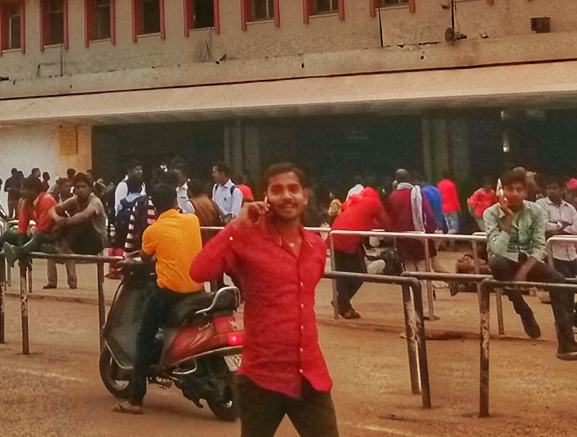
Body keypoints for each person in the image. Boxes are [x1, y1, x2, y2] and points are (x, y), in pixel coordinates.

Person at [189, 163, 337, 437]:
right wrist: (237, 225)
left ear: (305, 195)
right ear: (265, 196)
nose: (286, 196)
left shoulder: (315, 246)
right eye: (277, 189)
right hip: (261, 378)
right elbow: (199, 270)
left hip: (310, 377)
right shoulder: (247, 239)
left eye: (293, 189)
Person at [113, 180, 202, 415]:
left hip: (168, 293)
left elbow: (144, 258)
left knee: (143, 339)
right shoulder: (192, 221)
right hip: (197, 290)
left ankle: (134, 400)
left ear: (153, 204)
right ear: (175, 200)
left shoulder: (152, 231)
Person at [482, 169, 577, 360]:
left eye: (519, 189)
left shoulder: (535, 211)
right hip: (502, 262)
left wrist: (525, 270)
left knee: (558, 280)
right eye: (509, 189)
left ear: (525, 192)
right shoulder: (490, 213)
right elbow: (497, 249)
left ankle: (566, 343)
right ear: (501, 191)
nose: (514, 194)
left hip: (527, 260)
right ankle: (521, 307)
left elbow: (539, 245)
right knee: (497, 262)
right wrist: (508, 218)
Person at [388, 171, 444, 318]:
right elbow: (429, 216)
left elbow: (390, 220)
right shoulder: (417, 194)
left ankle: (414, 310)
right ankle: (426, 310)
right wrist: (430, 233)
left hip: (402, 240)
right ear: (410, 179)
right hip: (420, 239)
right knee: (424, 275)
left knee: (410, 275)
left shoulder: (392, 197)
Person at [329, 183, 386, 319]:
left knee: (341, 275)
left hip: (334, 237)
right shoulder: (374, 202)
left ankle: (345, 305)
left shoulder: (350, 202)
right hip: (350, 240)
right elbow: (386, 223)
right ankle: (341, 302)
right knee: (360, 274)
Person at [536, 177, 577, 278]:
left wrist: (557, 229)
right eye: (548, 188)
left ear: (562, 190)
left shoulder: (570, 208)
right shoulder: (540, 204)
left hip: (571, 254)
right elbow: (544, 226)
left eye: (554, 188)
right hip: (551, 255)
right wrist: (562, 225)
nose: (551, 191)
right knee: (562, 281)